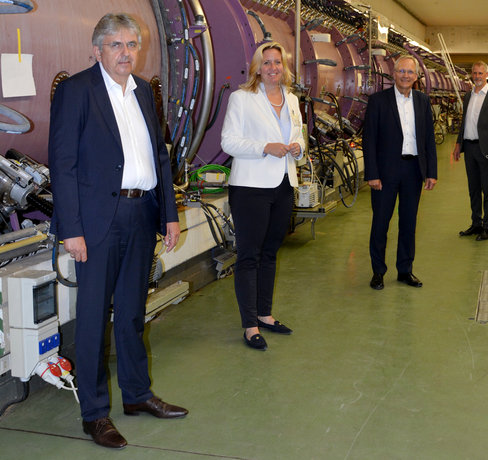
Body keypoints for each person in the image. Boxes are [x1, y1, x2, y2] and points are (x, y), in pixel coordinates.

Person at [49, 13, 187, 449]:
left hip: (141, 213)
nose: (126, 53)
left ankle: (137, 394)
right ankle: (94, 413)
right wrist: (71, 229)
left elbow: (159, 156)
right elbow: (63, 165)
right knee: (93, 320)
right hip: (97, 222)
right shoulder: (77, 91)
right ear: (97, 50)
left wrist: (168, 213)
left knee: (130, 314)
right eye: (116, 45)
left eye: (131, 44)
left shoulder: (143, 91)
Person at [220, 42, 305, 351]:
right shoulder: (242, 98)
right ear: (257, 68)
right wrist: (264, 147)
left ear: (284, 67)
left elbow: (299, 135)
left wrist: (299, 147)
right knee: (249, 255)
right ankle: (250, 325)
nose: (272, 68)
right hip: (251, 188)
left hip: (283, 184)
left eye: (277, 62)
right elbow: (228, 141)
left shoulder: (292, 99)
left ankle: (265, 314)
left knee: (270, 252)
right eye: (266, 62)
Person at [363, 55, 437, 291]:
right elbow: (369, 139)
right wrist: (372, 173)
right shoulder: (378, 101)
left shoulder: (423, 101)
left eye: (410, 72)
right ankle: (378, 272)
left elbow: (428, 138)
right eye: (401, 71)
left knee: (408, 222)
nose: (406, 75)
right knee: (380, 223)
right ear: (393, 74)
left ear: (416, 76)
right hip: (385, 173)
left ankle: (405, 270)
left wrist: (431, 172)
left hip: (413, 170)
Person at [452, 61, 488, 241]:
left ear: (487, 74)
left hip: (487, 149)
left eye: (480, 73)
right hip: (469, 147)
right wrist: (458, 143)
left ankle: (487, 227)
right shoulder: (468, 96)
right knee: (473, 188)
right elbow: (465, 122)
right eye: (474, 73)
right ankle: (476, 223)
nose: (477, 76)